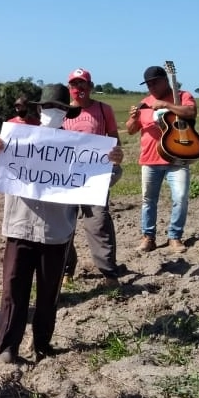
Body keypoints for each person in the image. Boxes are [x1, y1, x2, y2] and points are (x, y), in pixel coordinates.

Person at [0, 85, 124, 363]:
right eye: (47, 108)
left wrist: (114, 164)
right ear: (39, 110)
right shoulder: (20, 137)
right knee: (13, 291)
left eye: (59, 109)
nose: (53, 114)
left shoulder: (78, 147)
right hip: (20, 226)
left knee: (48, 295)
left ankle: (42, 345)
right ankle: (7, 349)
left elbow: (103, 179)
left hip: (57, 232)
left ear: (67, 114)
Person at [62, 68, 126, 284]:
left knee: (98, 222)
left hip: (95, 177)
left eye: (82, 85)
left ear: (90, 87)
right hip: (67, 178)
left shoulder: (103, 109)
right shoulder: (61, 112)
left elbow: (115, 139)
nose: (78, 89)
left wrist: (116, 152)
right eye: (74, 85)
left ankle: (109, 272)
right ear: (69, 88)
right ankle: (66, 270)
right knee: (63, 224)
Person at [126, 65, 199, 254]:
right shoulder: (144, 103)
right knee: (148, 200)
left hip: (178, 158)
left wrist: (166, 105)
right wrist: (133, 119)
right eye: (148, 84)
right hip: (150, 160)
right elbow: (131, 130)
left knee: (181, 198)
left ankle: (175, 237)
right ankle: (148, 237)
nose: (151, 87)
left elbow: (190, 113)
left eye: (155, 82)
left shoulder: (182, 96)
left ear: (165, 80)